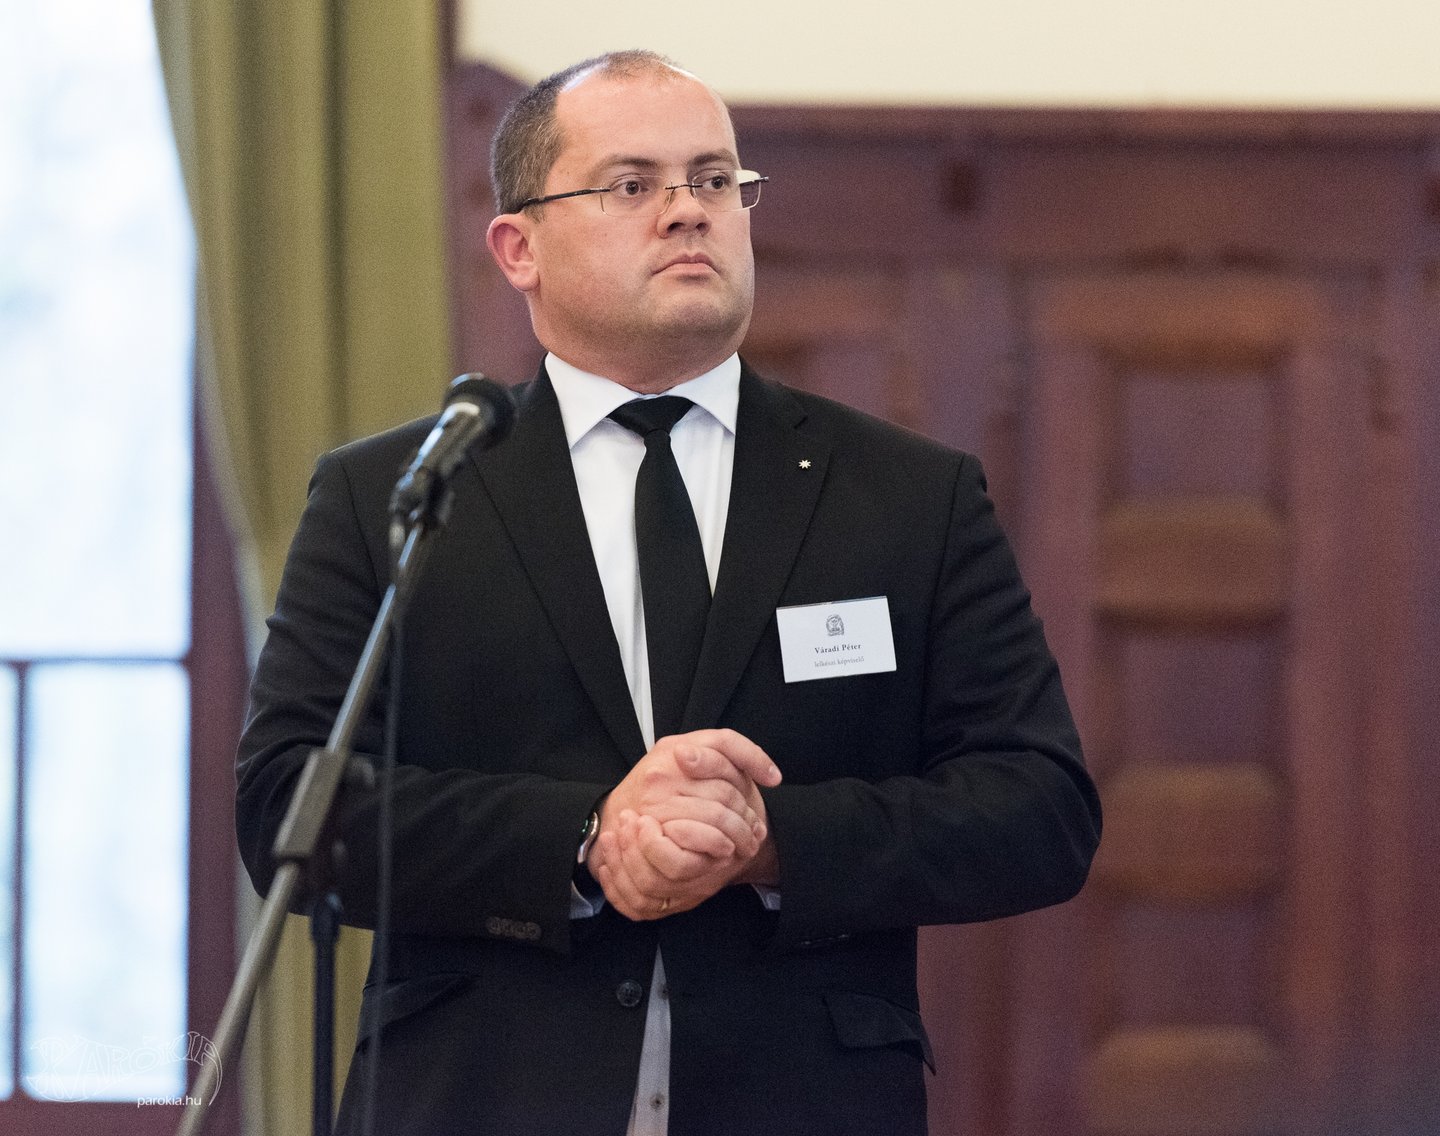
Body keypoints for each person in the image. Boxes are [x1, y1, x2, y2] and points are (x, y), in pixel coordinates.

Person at [236, 49, 1102, 1136]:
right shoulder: (399, 495)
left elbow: (1040, 808)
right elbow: (288, 804)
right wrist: (586, 834)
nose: (689, 211)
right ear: (519, 247)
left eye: (714, 180)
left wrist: (772, 840)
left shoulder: (907, 495)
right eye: (633, 184)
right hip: (482, 1096)